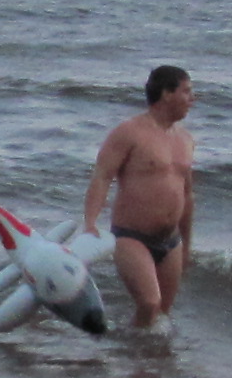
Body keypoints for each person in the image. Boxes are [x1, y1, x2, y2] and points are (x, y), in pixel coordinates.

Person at [82, 65, 196, 327]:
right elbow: (102, 176)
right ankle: (129, 344)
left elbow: (188, 195)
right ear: (167, 94)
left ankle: (139, 350)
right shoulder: (129, 132)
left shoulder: (186, 139)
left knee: (163, 314)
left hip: (171, 240)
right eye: (186, 91)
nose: (192, 99)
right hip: (131, 236)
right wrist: (90, 222)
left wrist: (187, 245)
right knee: (149, 303)